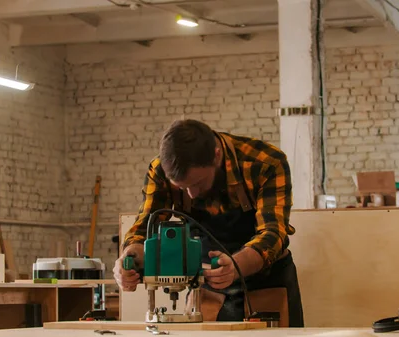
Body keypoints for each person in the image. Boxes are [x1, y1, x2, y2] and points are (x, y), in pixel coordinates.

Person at [113, 119, 304, 327]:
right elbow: (143, 229)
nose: (191, 194)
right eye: (182, 188)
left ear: (217, 155)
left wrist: (234, 267)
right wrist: (129, 259)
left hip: (267, 281)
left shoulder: (265, 163)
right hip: (206, 286)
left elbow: (272, 234)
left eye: (197, 183)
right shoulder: (159, 170)